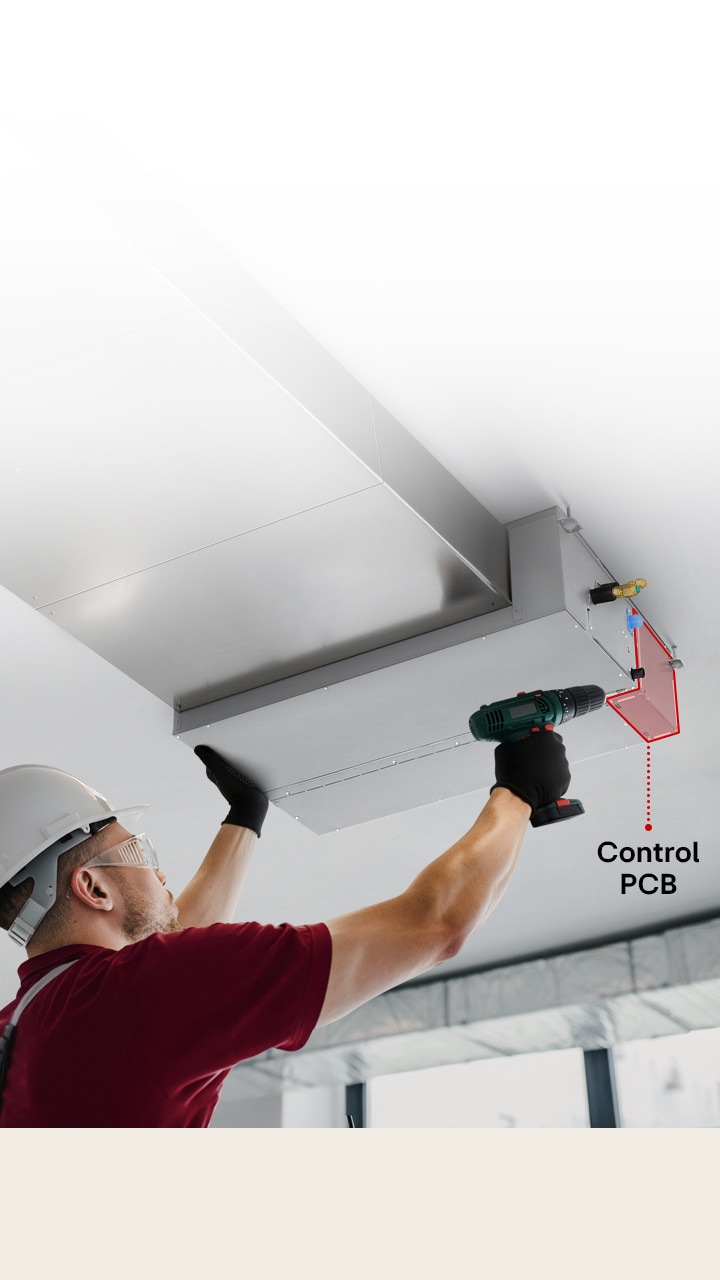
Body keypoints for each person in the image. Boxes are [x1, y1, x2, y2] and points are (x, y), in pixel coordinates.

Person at [0, 733, 570, 1126]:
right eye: (137, 851)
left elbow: (167, 964)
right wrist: (518, 795)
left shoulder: (26, 1023)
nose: (159, 869)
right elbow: (433, 924)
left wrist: (244, 819)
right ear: (93, 888)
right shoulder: (139, 996)